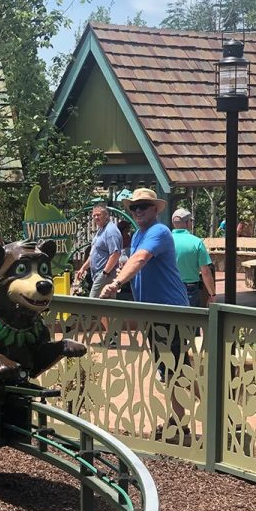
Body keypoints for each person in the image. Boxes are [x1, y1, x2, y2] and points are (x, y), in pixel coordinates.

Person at [101, 188, 191, 440]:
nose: (138, 211)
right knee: (171, 369)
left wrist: (116, 284)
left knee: (177, 369)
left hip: (170, 312)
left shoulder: (159, 232)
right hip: (153, 314)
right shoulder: (140, 234)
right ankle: (180, 421)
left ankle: (216, 417)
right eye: (134, 207)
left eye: (143, 206)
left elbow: (140, 259)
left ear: (155, 209)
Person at [74, 201, 122, 298]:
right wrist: (83, 268)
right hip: (98, 275)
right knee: (105, 307)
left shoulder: (111, 231)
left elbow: (115, 253)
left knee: (93, 304)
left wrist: (105, 273)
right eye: (94, 215)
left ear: (106, 215)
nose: (96, 217)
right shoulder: (101, 230)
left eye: (98, 215)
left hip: (105, 275)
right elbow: (93, 254)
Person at [171, 208, 216, 307]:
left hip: (168, 287)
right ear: (188, 223)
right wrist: (212, 294)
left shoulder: (164, 241)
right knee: (190, 320)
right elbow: (205, 272)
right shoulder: (197, 242)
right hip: (190, 290)